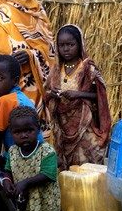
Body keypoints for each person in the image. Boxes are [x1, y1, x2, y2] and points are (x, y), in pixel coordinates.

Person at [44, 24, 112, 171]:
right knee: (65, 168)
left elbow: (99, 96)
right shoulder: (56, 70)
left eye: (70, 44)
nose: (66, 49)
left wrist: (78, 94)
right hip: (62, 128)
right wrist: (52, 94)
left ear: (79, 44)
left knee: (87, 166)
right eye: (62, 45)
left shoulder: (88, 68)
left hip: (84, 126)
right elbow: (46, 94)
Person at [0, 106, 60, 211]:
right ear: (11, 133)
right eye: (18, 132)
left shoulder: (47, 151)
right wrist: (6, 181)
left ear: (38, 128)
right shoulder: (13, 152)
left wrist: (25, 183)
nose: (24, 135)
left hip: (45, 203)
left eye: (29, 130)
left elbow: (48, 174)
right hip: (24, 204)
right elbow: (8, 170)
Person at [0, 55, 44, 172]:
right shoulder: (19, 97)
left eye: (0, 78)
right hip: (37, 154)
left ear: (14, 80)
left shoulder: (6, 100)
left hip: (24, 158)